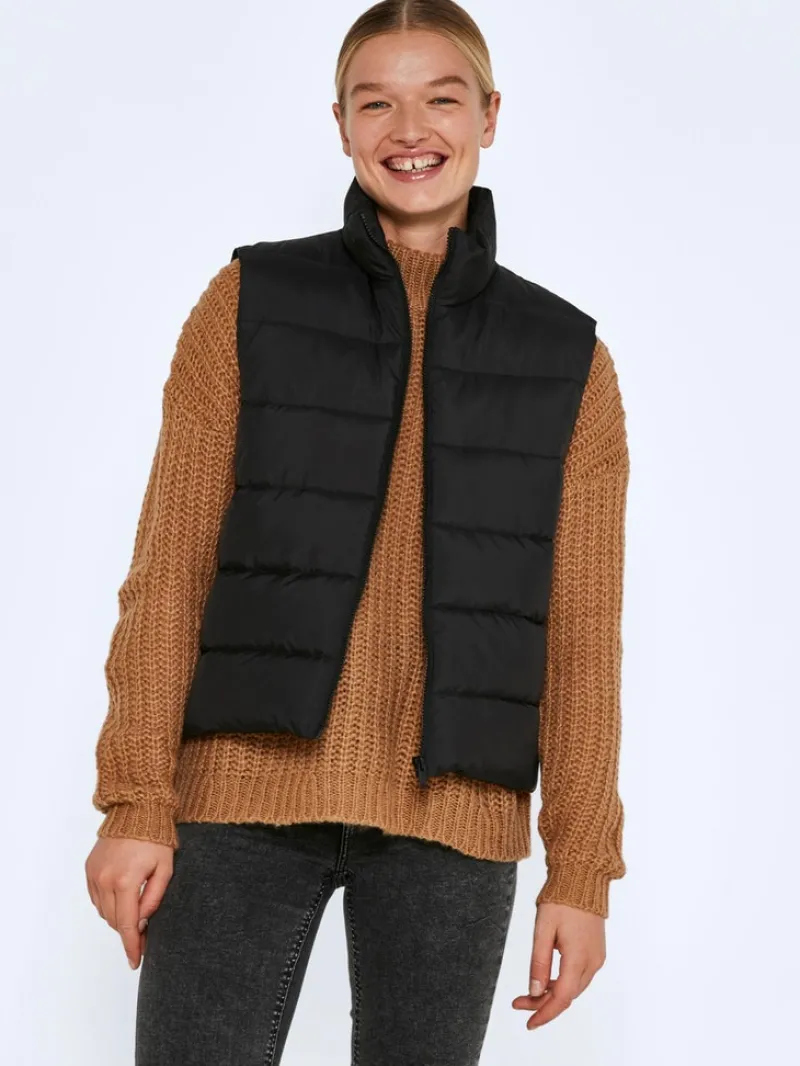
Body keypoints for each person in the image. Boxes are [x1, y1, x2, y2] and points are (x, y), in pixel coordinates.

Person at [84, 1, 630, 1062]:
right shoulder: (246, 302)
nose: (408, 129)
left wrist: (580, 871)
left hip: (454, 823)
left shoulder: (569, 360)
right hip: (237, 799)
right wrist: (136, 801)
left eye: (441, 99)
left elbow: (579, 639)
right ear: (339, 124)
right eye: (376, 103)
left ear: (489, 115)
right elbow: (169, 572)